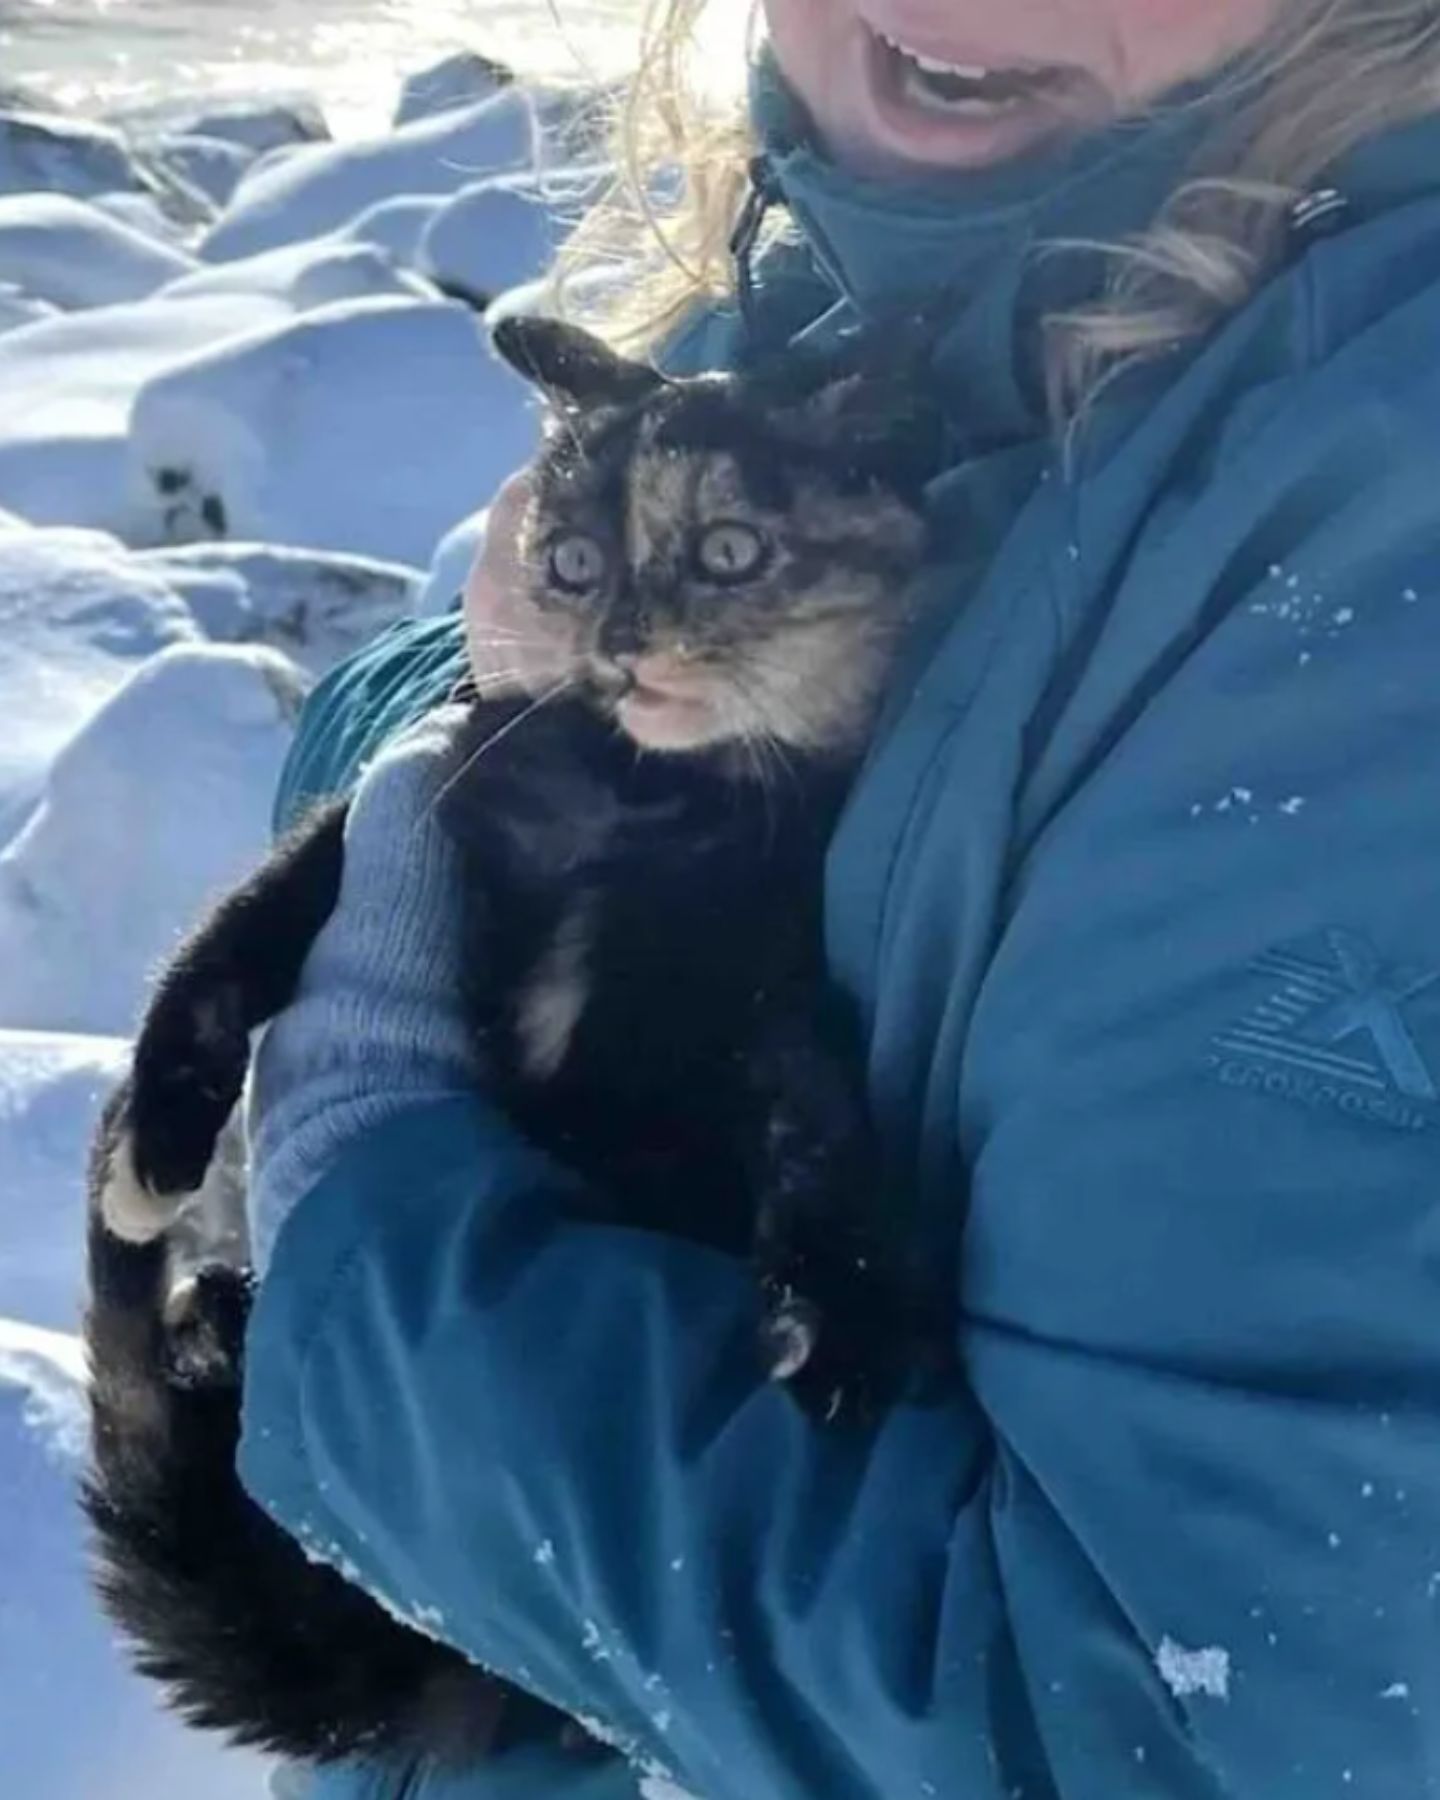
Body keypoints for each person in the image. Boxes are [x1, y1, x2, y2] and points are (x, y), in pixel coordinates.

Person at [240, 2, 1440, 1796]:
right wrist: (428, 720)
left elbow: (1152, 1726)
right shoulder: (888, 264)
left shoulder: (1371, 546)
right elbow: (586, 718)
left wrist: (380, 1236)